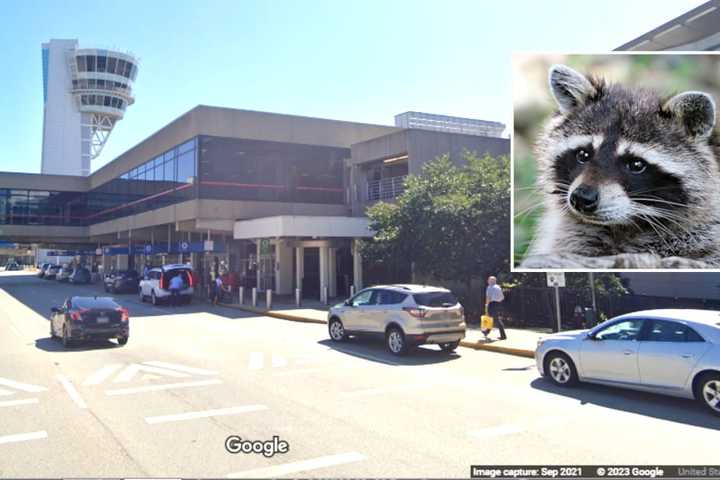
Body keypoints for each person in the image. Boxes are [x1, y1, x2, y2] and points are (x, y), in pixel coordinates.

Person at [484, 276, 507, 340]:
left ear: (491, 281)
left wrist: (486, 305)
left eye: (489, 280)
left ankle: (503, 336)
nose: (488, 281)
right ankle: (487, 331)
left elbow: (488, 297)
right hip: (498, 304)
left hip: (492, 304)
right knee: (493, 318)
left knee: (494, 319)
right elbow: (502, 297)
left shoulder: (490, 287)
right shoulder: (498, 287)